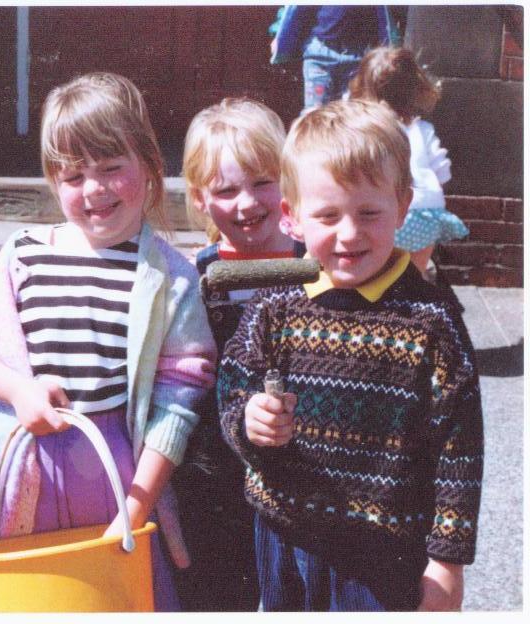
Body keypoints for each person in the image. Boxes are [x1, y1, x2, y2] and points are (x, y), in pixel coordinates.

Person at [0, 72, 217, 611]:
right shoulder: (22, 255)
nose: (94, 189)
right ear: (53, 180)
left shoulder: (172, 277)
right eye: (73, 175)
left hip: (116, 473)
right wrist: (19, 391)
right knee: (26, 595)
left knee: (117, 596)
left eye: (112, 169)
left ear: (148, 164)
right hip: (24, 468)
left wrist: (136, 509)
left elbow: (177, 407)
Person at [218, 99, 483, 611]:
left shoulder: (431, 322)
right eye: (327, 215)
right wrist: (249, 422)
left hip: (384, 550)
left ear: (403, 207)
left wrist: (447, 560)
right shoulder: (273, 307)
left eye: (369, 213)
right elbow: (232, 388)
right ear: (292, 217)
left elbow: (459, 446)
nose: (348, 233)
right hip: (285, 534)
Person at [172, 97, 304, 611]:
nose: (247, 203)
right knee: (216, 592)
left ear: (286, 181)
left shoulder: (315, 267)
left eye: (262, 182)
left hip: (299, 464)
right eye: (226, 190)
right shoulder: (195, 276)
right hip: (215, 473)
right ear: (201, 200)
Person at [348, 45, 468, 280]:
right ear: (414, 89)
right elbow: (442, 172)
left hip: (385, 215)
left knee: (380, 272)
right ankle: (416, 295)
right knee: (416, 274)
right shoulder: (422, 129)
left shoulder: (362, 131)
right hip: (426, 213)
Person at [270, 5, 400, 112]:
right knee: (314, 114)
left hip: (357, 59)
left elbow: (385, 15)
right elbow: (293, 9)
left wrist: (391, 47)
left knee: (352, 117)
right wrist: (279, 34)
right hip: (320, 56)